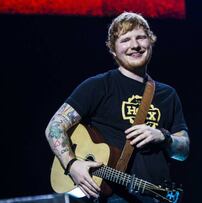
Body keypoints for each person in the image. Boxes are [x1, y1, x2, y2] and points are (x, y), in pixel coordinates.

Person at [45, 12, 190, 203]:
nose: (135, 45)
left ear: (150, 42)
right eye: (125, 40)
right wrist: (72, 164)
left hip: (156, 195)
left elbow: (183, 151)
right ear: (113, 49)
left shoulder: (167, 94)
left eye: (141, 37)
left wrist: (164, 137)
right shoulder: (98, 86)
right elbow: (54, 127)